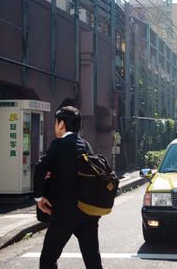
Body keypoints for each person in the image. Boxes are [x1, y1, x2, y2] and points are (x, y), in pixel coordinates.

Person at [34, 106, 103, 269]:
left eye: (55, 122)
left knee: (48, 259)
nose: (55, 126)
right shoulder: (85, 145)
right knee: (93, 260)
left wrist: (38, 197)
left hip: (64, 213)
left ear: (61, 124)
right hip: (88, 212)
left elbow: (40, 168)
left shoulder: (59, 144)